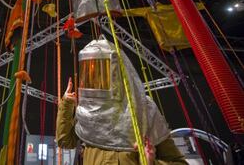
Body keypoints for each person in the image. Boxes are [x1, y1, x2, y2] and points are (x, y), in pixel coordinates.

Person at [56, 38, 187, 164]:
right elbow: (64, 141)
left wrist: (151, 163)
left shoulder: (145, 109)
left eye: (102, 73)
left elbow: (178, 162)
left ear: (117, 71)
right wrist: (67, 103)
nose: (96, 80)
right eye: (90, 73)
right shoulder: (87, 110)